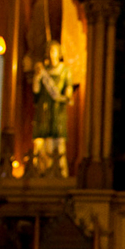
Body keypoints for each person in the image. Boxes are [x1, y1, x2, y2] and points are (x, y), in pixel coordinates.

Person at [32, 40, 73, 175]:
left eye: (54, 51)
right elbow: (36, 92)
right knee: (41, 144)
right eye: (49, 51)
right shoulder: (43, 71)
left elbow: (67, 89)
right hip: (44, 111)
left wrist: (67, 94)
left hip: (57, 112)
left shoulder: (64, 70)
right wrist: (37, 78)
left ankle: (59, 172)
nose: (52, 53)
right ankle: (41, 171)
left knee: (58, 142)